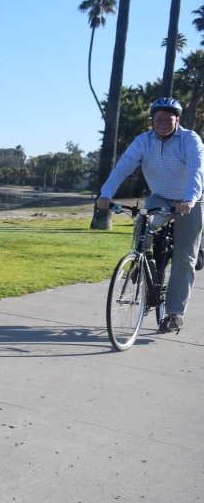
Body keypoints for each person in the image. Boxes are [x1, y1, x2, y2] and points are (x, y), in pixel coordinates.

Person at [96, 97, 204, 333]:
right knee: (142, 224)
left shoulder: (189, 139)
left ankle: (174, 314)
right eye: (158, 119)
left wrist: (190, 200)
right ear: (153, 121)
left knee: (184, 259)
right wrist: (106, 194)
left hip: (190, 200)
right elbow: (123, 167)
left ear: (177, 120)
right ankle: (140, 262)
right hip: (161, 197)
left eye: (168, 119)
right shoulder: (142, 142)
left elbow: (197, 171)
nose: (163, 123)